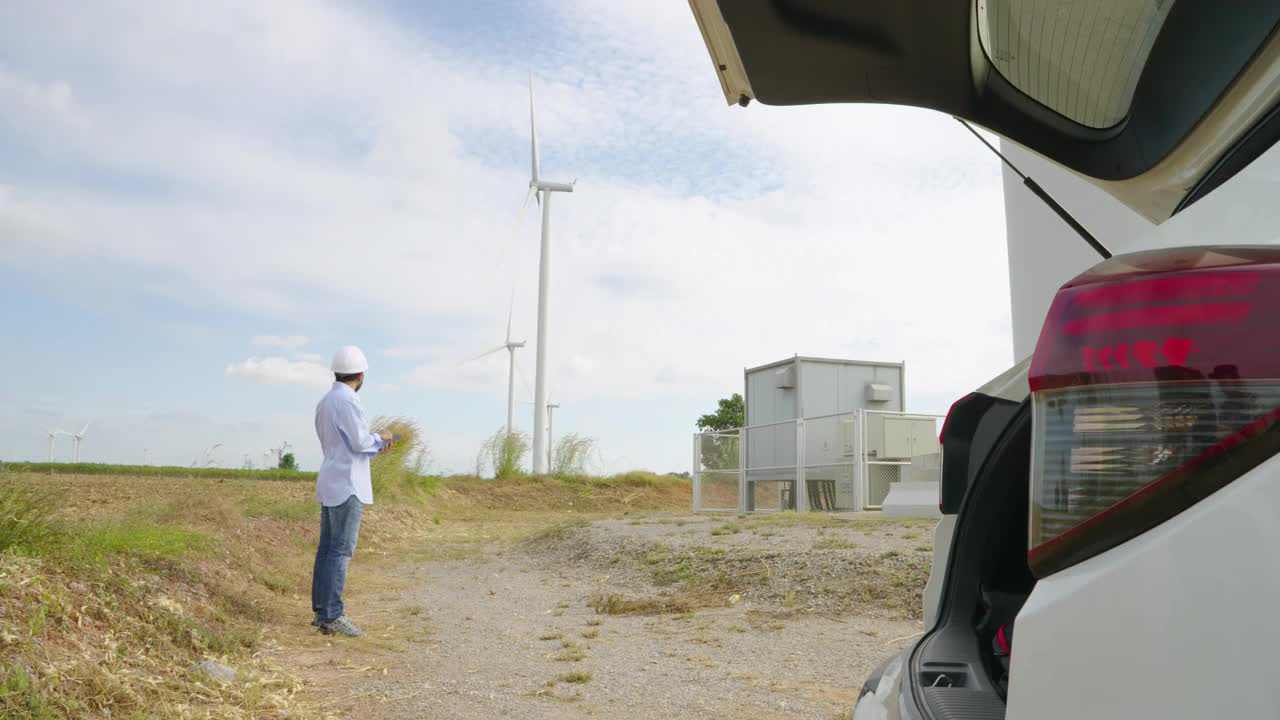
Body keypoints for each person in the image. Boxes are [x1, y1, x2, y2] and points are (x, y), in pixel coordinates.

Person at [310, 345, 393, 637]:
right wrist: (381, 438)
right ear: (360, 374)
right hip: (348, 485)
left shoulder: (325, 402)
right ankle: (333, 615)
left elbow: (342, 444)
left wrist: (373, 447)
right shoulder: (349, 401)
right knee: (341, 551)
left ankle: (322, 611)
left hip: (331, 478)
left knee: (326, 550)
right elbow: (358, 442)